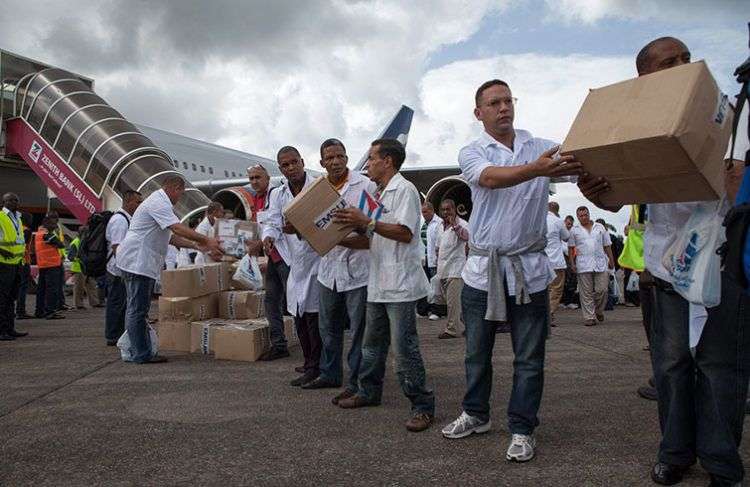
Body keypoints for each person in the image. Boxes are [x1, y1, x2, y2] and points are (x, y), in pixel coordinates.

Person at [579, 36, 750, 487]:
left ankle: (721, 462)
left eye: (686, 59)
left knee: (719, 367)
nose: (682, 66)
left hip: (719, 259)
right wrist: (596, 190)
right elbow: (617, 197)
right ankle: (674, 452)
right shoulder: (632, 127)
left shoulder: (730, 116)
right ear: (645, 78)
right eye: (669, 62)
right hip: (665, 263)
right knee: (670, 365)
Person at [440, 79, 582, 462]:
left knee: (529, 356)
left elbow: (578, 168)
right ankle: (476, 413)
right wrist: (537, 170)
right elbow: (489, 178)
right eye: (494, 102)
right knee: (475, 352)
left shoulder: (541, 146)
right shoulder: (473, 152)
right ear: (479, 112)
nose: (503, 107)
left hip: (530, 272)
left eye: (508, 100)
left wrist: (588, 165)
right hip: (481, 271)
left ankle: (522, 427)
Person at [333, 138, 435, 433]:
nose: (367, 164)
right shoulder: (375, 193)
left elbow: (404, 232)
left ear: (388, 161)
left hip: (400, 285)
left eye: (372, 158)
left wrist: (366, 221)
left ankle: (422, 405)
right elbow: (371, 237)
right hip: (378, 281)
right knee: (371, 345)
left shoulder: (404, 190)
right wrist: (337, 239)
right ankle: (368, 391)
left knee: (405, 349)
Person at [116, 176, 222, 363]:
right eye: (181, 193)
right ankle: (141, 354)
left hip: (139, 261)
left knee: (137, 309)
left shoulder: (160, 203)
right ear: (175, 188)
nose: (180, 198)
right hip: (137, 261)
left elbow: (171, 237)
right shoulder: (158, 203)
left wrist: (197, 246)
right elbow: (177, 228)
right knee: (137, 310)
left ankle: (138, 350)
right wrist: (205, 240)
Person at [301, 139, 376, 404]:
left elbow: (372, 231)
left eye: (340, 156)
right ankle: (330, 373)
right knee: (327, 327)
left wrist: (339, 236)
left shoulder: (366, 186)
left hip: (358, 268)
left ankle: (356, 381)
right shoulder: (314, 190)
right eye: (329, 158)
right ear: (321, 163)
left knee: (359, 330)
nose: (335, 162)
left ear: (347, 158)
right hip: (328, 270)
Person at [262, 146, 322, 385]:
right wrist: (268, 235)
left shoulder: (318, 186)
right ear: (280, 169)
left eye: (294, 162)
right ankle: (310, 363)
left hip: (318, 260)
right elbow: (273, 220)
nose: (291, 168)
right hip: (294, 262)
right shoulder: (278, 194)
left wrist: (299, 229)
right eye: (285, 165)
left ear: (302, 162)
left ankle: (317, 366)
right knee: (298, 314)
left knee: (314, 318)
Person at [104, 190, 142, 346]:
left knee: (121, 304)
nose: (140, 205)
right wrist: (126, 269)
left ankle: (117, 333)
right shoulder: (120, 220)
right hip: (118, 269)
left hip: (121, 268)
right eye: (137, 202)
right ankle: (113, 336)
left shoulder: (127, 219)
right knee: (116, 304)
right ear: (128, 202)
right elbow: (117, 247)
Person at [568, 206, 614, 326]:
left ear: (589, 214)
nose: (584, 217)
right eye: (581, 216)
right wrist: (572, 263)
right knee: (586, 292)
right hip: (583, 264)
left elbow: (607, 245)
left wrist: (611, 260)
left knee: (602, 289)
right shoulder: (574, 230)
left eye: (585, 215)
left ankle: (598, 310)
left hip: (600, 263)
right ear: (578, 217)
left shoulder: (600, 227)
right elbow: (571, 248)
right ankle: (589, 317)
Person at [435, 198, 469, 339]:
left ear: (454, 209)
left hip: (456, 270)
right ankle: (471, 325)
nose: (445, 212)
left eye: (448, 209)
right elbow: (438, 246)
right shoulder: (440, 225)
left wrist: (455, 226)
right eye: (443, 209)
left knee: (452, 303)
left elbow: (467, 237)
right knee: (455, 303)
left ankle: (452, 329)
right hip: (443, 269)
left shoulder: (462, 224)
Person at [0, 193, 28, 341]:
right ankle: (2, 330)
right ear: (4, 202)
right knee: (2, 298)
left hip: (16, 263)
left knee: (11, 298)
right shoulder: (1, 217)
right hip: (3, 263)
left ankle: (10, 328)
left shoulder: (17, 217)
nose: (14, 202)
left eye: (16, 200)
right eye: (11, 200)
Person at [34, 212, 66, 320]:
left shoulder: (39, 233)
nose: (55, 225)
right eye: (53, 224)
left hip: (43, 264)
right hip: (52, 265)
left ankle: (39, 311)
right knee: (52, 289)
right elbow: (61, 244)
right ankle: (50, 311)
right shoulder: (47, 234)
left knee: (42, 289)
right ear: (47, 224)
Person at [545, 201, 569, 326]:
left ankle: (540, 314)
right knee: (556, 289)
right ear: (557, 211)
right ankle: (549, 314)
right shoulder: (558, 221)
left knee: (542, 289)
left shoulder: (538, 219)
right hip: (555, 262)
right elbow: (566, 237)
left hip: (540, 261)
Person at [419, 202, 443, 320]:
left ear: (432, 211)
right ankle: (426, 309)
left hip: (434, 259)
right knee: (426, 285)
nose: (423, 214)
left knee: (435, 286)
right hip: (425, 258)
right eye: (422, 212)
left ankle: (437, 310)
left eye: (425, 212)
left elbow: (439, 242)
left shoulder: (438, 223)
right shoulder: (424, 224)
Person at [68, 226, 102, 309]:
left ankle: (95, 302)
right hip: (78, 269)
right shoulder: (76, 242)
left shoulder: (86, 242)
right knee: (79, 288)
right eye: (86, 232)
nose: (88, 234)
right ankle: (79, 305)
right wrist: (81, 259)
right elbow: (70, 257)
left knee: (92, 285)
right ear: (80, 233)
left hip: (87, 268)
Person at [16, 212, 33, 320]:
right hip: (24, 261)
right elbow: (25, 246)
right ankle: (21, 311)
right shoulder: (26, 231)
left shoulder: (16, 228)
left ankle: (15, 311)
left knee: (15, 287)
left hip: (14, 261)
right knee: (22, 287)